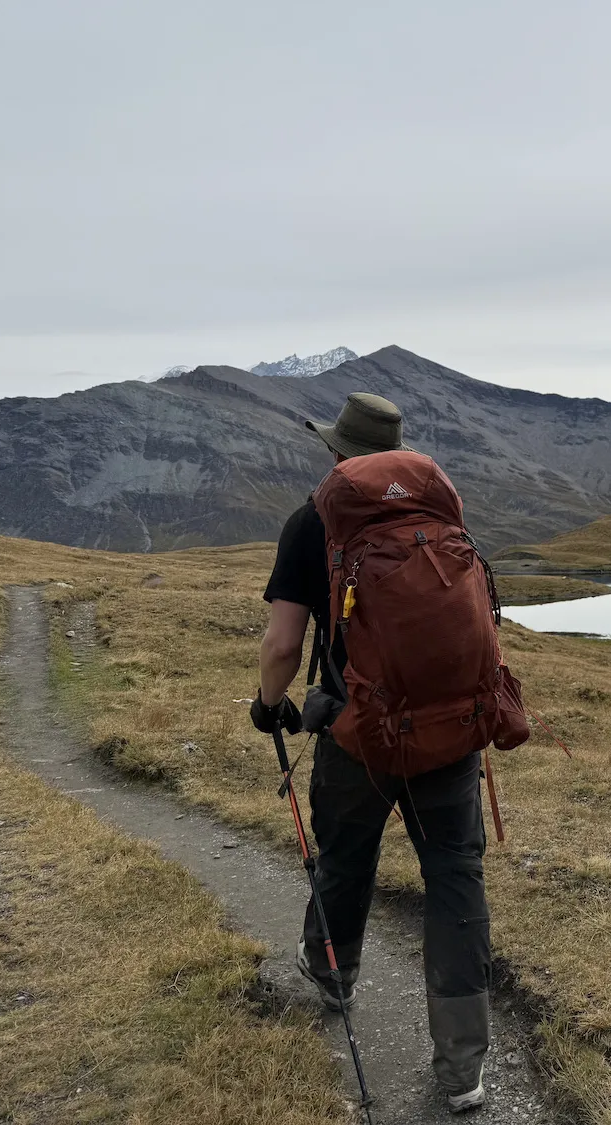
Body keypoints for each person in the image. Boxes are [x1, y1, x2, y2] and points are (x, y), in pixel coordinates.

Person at [250, 392, 492, 1113]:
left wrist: (269, 705)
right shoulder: (438, 512)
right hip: (448, 732)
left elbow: (283, 644)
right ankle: (464, 1069)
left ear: (336, 452)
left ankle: (334, 976)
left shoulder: (312, 520)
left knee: (347, 856)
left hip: (357, 732)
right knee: (454, 875)